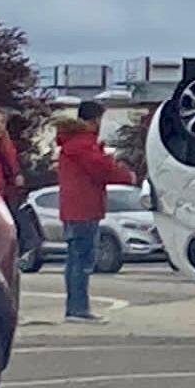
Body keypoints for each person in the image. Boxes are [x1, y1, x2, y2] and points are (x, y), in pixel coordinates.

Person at [57, 100, 135, 324]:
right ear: (93, 121)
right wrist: (127, 175)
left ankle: (74, 307)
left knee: (74, 260)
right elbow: (103, 169)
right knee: (83, 260)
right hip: (85, 209)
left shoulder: (71, 145)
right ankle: (78, 309)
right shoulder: (83, 145)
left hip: (72, 208)